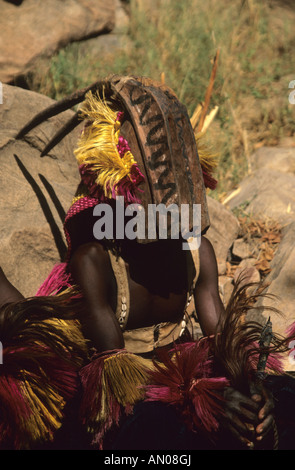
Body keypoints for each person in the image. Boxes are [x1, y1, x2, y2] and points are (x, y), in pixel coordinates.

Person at [2, 75, 295, 450]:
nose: (170, 221)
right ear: (120, 199)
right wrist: (207, 400)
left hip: (185, 375)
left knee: (282, 395)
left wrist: (248, 388)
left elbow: (220, 336)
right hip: (132, 400)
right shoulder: (95, 262)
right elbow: (117, 386)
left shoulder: (194, 249)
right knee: (155, 430)